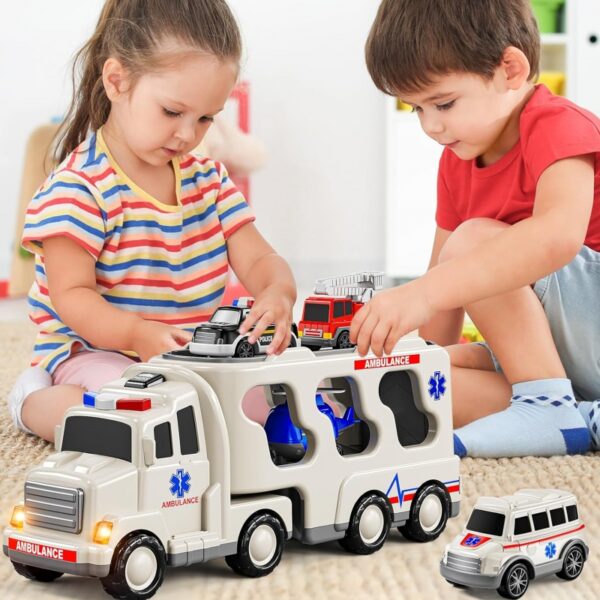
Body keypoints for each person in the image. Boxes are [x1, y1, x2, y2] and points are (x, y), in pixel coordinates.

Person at [8, 0, 296, 442]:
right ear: (116, 81)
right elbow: (73, 296)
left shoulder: (209, 181)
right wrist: (136, 334)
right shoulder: (79, 188)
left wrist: (277, 291)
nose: (188, 134)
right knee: (130, 414)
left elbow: (259, 257)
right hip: (94, 352)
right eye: (172, 112)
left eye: (206, 118)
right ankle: (31, 401)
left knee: (270, 399)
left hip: (191, 355)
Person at [352, 0, 600, 457]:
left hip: (591, 326)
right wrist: (424, 356)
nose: (431, 125)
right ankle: (574, 414)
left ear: (510, 70)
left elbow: (557, 236)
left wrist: (422, 294)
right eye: (416, 108)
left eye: (443, 103)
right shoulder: (457, 161)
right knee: (416, 382)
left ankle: (548, 405)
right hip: (562, 358)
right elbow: (441, 299)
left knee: (470, 241)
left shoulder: (559, 125)